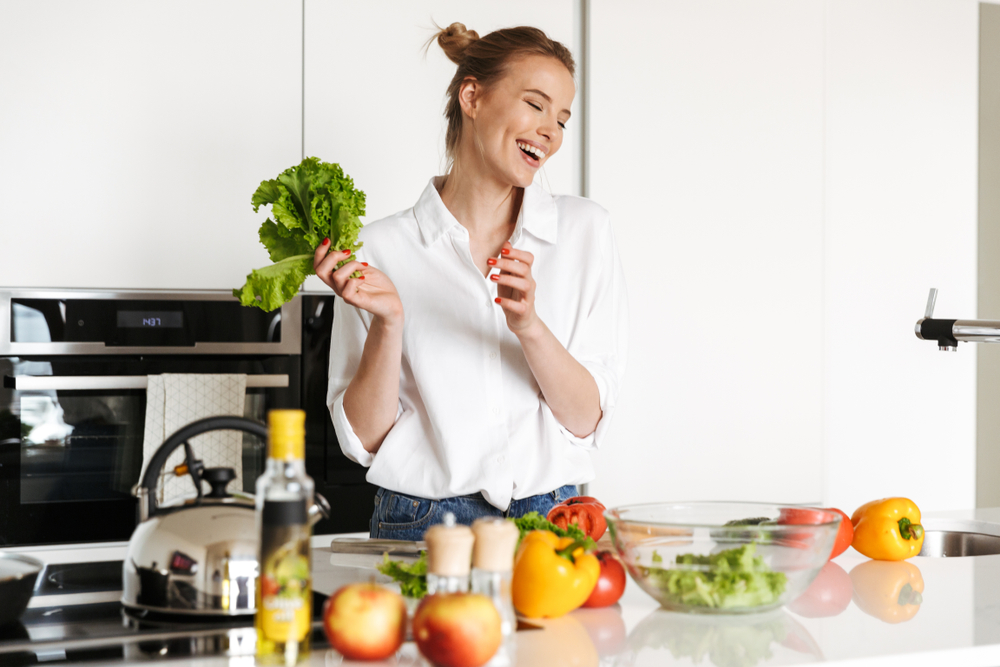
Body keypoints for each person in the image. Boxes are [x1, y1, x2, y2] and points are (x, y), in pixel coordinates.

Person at [316, 23, 628, 541]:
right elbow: (365, 441)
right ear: (472, 97)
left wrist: (528, 325)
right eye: (535, 104)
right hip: (423, 524)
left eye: (562, 118)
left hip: (555, 520)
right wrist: (389, 323)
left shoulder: (585, 231)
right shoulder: (379, 249)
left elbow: (585, 419)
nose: (550, 130)